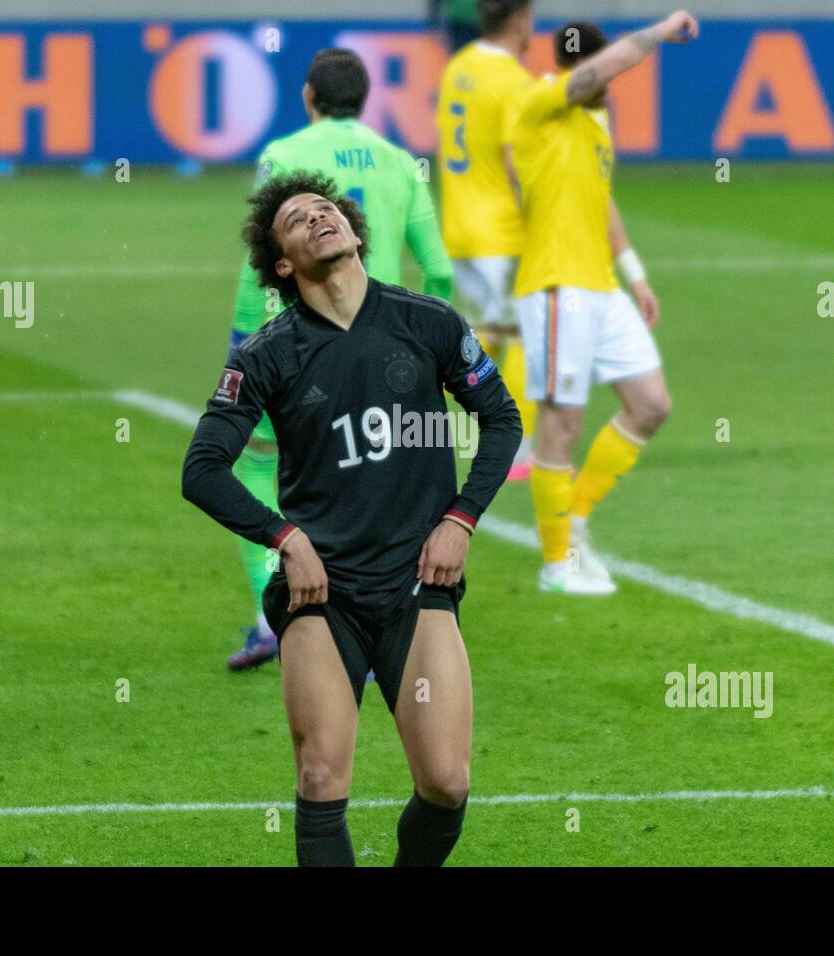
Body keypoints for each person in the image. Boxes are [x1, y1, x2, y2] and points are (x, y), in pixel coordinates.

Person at [182, 170, 521, 866]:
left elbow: (501, 418)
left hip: (416, 588)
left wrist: (460, 519)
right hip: (321, 593)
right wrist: (286, 537)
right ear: (283, 264)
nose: (316, 219)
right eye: (296, 221)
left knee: (447, 782)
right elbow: (202, 469)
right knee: (319, 777)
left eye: (325, 210)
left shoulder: (427, 322)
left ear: (353, 229)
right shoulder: (268, 353)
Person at [224, 48, 453, 670]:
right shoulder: (402, 162)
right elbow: (438, 267)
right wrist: (428, 341)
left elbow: (262, 259)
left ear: (309, 96)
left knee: (265, 462)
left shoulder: (285, 154)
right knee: (370, 472)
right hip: (383, 346)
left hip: (297, 342)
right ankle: (383, 625)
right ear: (365, 98)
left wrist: (247, 336)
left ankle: (273, 618)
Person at [507, 12, 698, 595]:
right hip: (558, 287)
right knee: (561, 424)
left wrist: (634, 273)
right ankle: (556, 565)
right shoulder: (543, 101)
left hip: (600, 286)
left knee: (651, 403)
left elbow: (602, 201)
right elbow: (603, 68)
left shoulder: (593, 126)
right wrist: (661, 30)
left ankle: (579, 518)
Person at [435, 0, 538, 480]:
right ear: (520, 21)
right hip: (500, 230)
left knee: (485, 337)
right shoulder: (514, 82)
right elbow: (518, 161)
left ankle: (473, 435)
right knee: (522, 337)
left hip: (459, 225)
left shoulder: (459, 66)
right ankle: (517, 449)